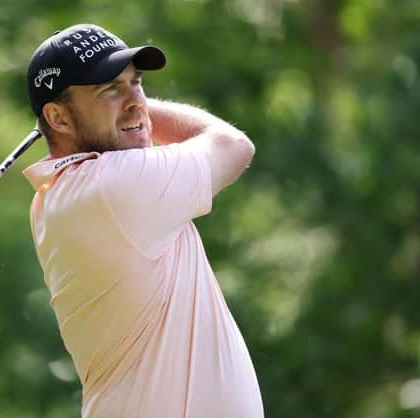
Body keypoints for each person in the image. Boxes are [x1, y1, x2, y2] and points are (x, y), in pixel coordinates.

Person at [23, 23, 264, 418]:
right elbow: (232, 145)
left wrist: (120, 111)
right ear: (59, 118)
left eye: (136, 83)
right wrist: (137, 114)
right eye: (110, 90)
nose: (137, 101)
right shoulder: (112, 187)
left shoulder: (65, 194)